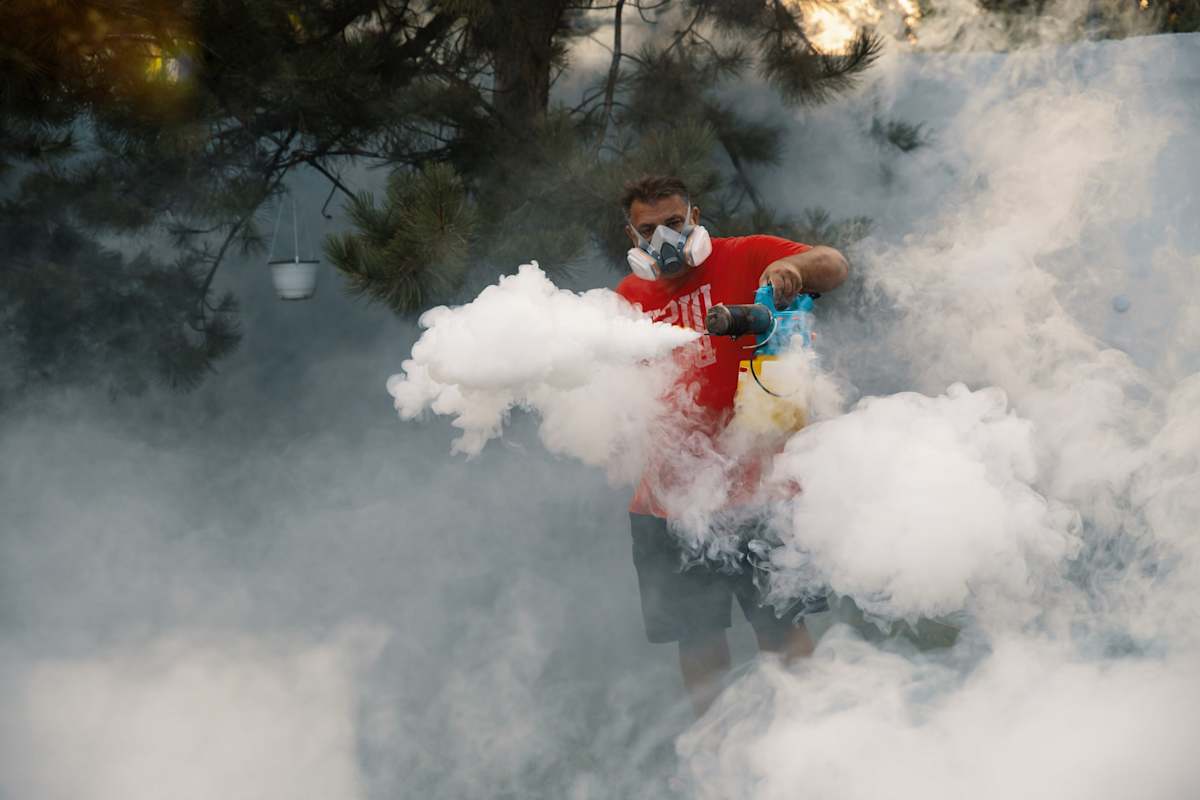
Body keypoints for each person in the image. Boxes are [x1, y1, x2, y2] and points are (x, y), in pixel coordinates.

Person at [614, 174, 849, 716]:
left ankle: (810, 741)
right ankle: (715, 752)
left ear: (694, 217)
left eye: (674, 223)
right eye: (648, 230)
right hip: (669, 503)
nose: (663, 239)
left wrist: (793, 270)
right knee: (697, 643)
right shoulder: (627, 298)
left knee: (782, 632)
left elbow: (834, 264)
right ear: (631, 234)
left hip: (762, 493)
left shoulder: (747, 255)